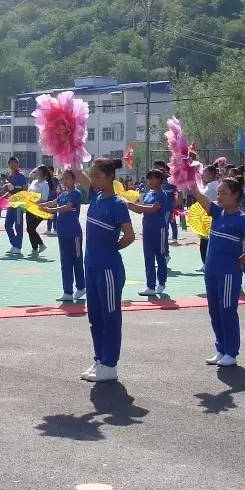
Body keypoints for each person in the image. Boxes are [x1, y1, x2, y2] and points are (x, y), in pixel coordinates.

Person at [73, 158, 134, 382]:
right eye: (93, 175)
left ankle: (110, 364)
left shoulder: (117, 204)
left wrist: (111, 248)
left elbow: (129, 236)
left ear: (110, 177)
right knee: (95, 316)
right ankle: (99, 358)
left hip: (108, 268)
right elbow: (78, 173)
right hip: (91, 266)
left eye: (98, 175)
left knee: (110, 316)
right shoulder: (96, 197)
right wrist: (68, 150)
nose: (94, 179)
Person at [191, 176, 245, 366]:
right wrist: (192, 185)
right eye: (219, 193)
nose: (219, 196)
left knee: (227, 310)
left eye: (224, 193)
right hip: (211, 271)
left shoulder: (243, 220)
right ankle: (220, 349)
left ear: (236, 195)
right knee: (214, 311)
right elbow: (201, 198)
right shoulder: (217, 213)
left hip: (229, 273)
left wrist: (240, 261)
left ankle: (231, 352)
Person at [40, 168, 85, 303]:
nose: (64, 181)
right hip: (63, 233)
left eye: (67, 178)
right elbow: (53, 202)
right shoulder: (63, 194)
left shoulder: (76, 194)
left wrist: (50, 210)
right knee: (65, 262)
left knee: (76, 261)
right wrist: (38, 205)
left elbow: (66, 207)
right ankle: (67, 291)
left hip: (74, 233)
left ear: (74, 180)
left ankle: (81, 287)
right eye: (63, 178)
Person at [128, 168, 171, 297]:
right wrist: (129, 205)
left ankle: (161, 283)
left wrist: (135, 206)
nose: (151, 181)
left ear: (160, 180)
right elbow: (141, 210)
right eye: (149, 178)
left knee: (160, 257)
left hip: (159, 230)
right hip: (147, 230)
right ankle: (150, 286)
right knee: (148, 258)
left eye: (154, 178)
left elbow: (153, 209)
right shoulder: (148, 194)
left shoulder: (161, 194)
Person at [2, 157, 27, 257]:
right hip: (11, 203)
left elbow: (25, 189)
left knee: (18, 225)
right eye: (11, 163)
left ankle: (18, 247)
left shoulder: (21, 176)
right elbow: (9, 190)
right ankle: (14, 243)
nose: (13, 165)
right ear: (8, 165)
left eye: (14, 163)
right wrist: (5, 192)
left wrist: (15, 187)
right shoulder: (10, 176)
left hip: (19, 204)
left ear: (17, 164)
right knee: (7, 225)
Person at [24, 165, 50, 256]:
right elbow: (28, 192)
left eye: (38, 170)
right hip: (29, 208)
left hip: (38, 210)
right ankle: (35, 249)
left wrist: (33, 202)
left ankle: (41, 245)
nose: (36, 171)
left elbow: (44, 198)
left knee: (31, 228)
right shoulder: (34, 182)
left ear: (42, 172)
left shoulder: (45, 184)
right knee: (29, 229)